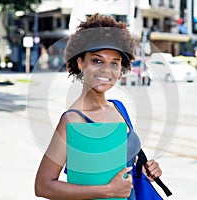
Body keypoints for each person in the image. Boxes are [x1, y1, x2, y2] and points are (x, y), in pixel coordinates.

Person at [34, 13, 162, 200]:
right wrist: (108, 191)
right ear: (80, 62)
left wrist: (143, 171)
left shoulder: (119, 109)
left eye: (114, 63)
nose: (106, 70)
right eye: (97, 60)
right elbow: (43, 186)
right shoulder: (72, 120)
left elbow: (123, 165)